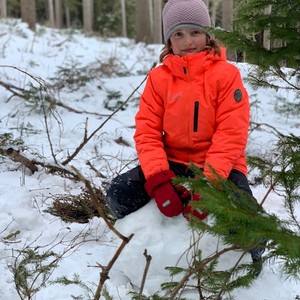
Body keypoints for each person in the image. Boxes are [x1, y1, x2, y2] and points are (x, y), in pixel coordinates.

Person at [105, 0, 264, 270]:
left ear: (207, 35)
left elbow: (231, 133)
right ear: (169, 40)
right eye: (178, 34)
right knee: (118, 195)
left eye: (194, 32)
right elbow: (147, 130)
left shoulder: (227, 75)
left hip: (221, 167)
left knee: (250, 226)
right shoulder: (158, 78)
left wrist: (209, 185)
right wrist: (158, 179)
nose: (187, 41)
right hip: (173, 162)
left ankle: (249, 266)